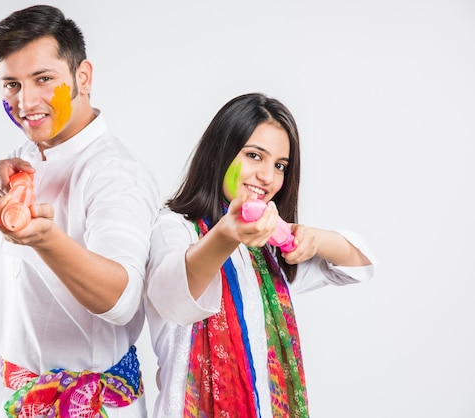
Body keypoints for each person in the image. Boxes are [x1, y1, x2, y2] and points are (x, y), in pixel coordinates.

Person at [0, 5, 159, 417]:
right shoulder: (26, 158)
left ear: (82, 78)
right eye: (11, 84)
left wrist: (47, 241)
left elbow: (122, 299)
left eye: (43, 79)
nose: (25, 100)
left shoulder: (115, 172)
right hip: (21, 398)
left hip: (93, 406)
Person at [144, 93, 377, 418]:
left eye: (280, 165)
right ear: (219, 154)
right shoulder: (174, 229)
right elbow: (173, 297)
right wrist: (227, 233)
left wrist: (312, 239)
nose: (268, 177)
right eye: (255, 156)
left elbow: (360, 263)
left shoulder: (268, 251)